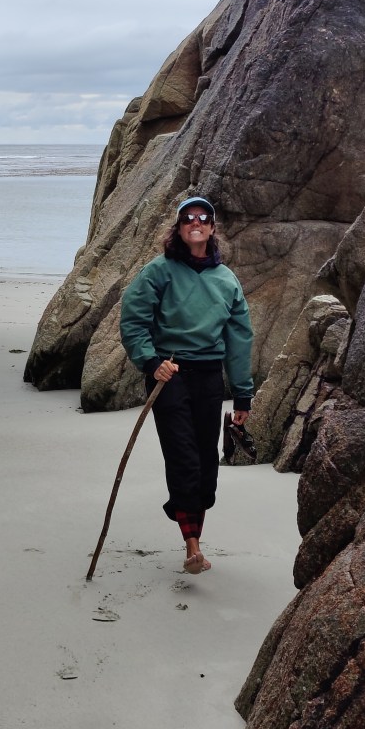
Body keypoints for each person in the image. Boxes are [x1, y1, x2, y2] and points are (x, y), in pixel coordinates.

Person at [119, 196, 254, 575]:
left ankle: (194, 535)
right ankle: (193, 547)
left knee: (206, 462)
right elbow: (133, 319)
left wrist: (242, 394)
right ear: (178, 228)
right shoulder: (159, 271)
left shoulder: (226, 280)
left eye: (203, 217)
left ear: (212, 228)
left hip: (209, 377)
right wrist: (151, 362)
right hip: (170, 375)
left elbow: (239, 340)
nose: (196, 222)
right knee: (183, 457)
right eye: (188, 218)